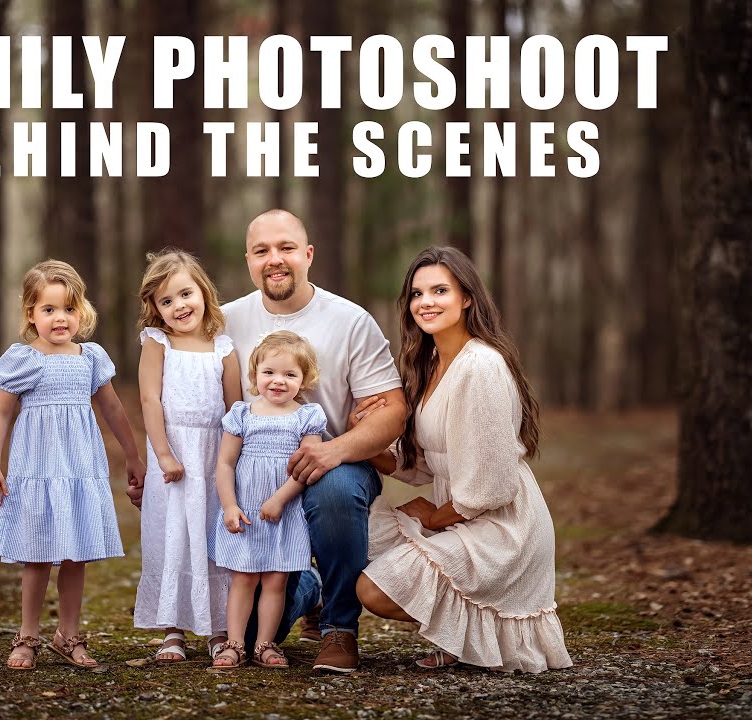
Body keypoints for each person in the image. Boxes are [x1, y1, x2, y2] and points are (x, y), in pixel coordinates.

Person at [353, 246, 573, 673]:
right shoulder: (431, 361)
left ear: (467, 297)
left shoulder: (481, 367)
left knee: (374, 591)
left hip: (501, 527)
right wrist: (363, 437)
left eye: (440, 290)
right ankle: (461, 638)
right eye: (417, 294)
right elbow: (421, 465)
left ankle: (467, 638)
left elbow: (492, 485)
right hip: (459, 513)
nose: (426, 302)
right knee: (361, 541)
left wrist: (433, 518)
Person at [221, 209, 408, 673]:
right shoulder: (224, 321)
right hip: (254, 478)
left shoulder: (350, 321)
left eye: (285, 248)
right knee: (244, 636)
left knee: (336, 487)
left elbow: (394, 409)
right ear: (248, 259)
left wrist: (334, 450)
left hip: (336, 467)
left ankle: (339, 627)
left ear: (307, 255)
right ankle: (310, 585)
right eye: (262, 250)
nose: (274, 259)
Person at [0, 259, 144, 670]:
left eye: (69, 309)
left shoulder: (90, 357)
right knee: (37, 556)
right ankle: (27, 636)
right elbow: (1, 414)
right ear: (31, 314)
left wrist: (132, 453)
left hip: (79, 469)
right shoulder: (24, 359)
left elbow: (112, 408)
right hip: (37, 469)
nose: (60, 318)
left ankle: (68, 635)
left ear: (81, 311)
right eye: (49, 309)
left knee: (75, 555)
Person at [132, 249, 240, 664]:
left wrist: (230, 464)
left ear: (203, 293)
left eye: (185, 294)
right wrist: (163, 453)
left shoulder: (223, 348)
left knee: (212, 538)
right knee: (171, 535)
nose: (179, 306)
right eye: (166, 301)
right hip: (173, 454)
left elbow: (234, 411)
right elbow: (149, 398)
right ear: (155, 309)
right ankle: (172, 629)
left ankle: (217, 628)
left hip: (214, 455)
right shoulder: (158, 343)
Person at [210, 332, 328, 669]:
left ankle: (265, 644)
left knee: (276, 581)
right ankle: (233, 644)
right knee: (243, 579)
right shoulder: (242, 414)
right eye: (270, 372)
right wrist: (230, 506)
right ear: (255, 375)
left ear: (304, 380)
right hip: (245, 513)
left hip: (285, 512)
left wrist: (280, 499)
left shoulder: (307, 417)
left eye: (290, 375)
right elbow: (225, 464)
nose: (278, 381)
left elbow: (307, 467)